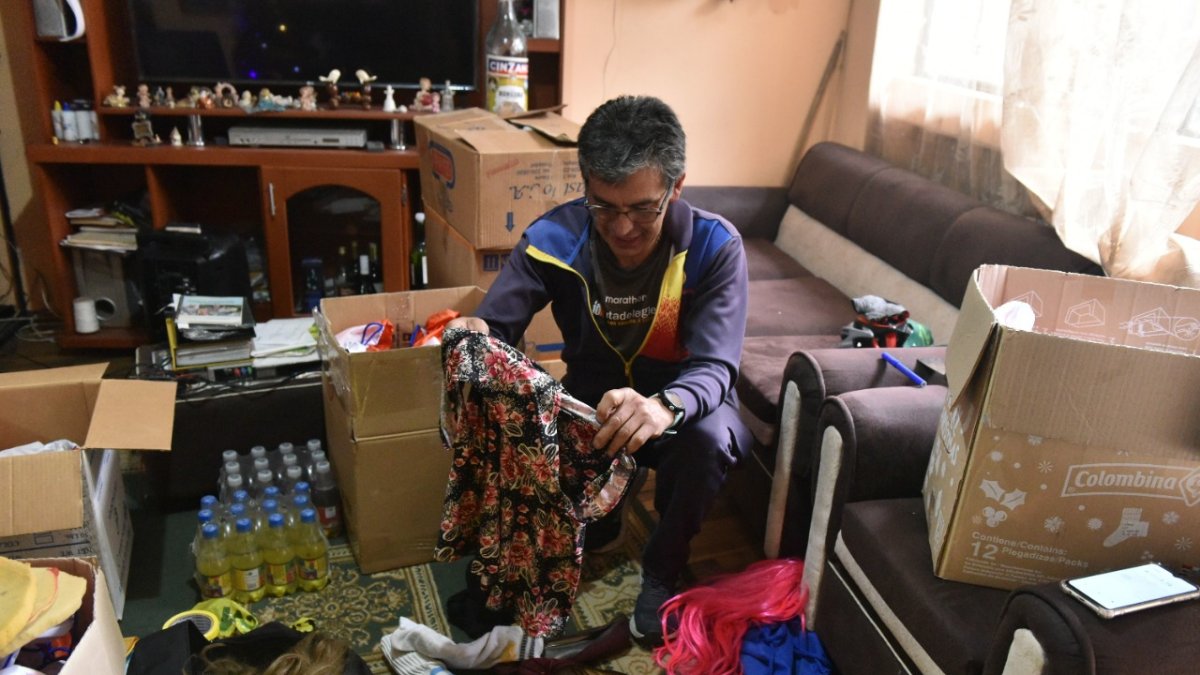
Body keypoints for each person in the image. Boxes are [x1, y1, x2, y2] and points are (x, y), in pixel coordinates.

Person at [447, 95, 752, 646]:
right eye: (605, 206)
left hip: (680, 407)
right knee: (521, 416)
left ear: (676, 187)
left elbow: (716, 366)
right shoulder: (554, 239)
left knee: (709, 441)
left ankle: (661, 570)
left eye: (643, 208)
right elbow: (495, 329)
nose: (624, 228)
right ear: (586, 182)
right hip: (590, 407)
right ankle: (600, 514)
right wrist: (474, 338)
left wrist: (662, 407)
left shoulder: (713, 245)